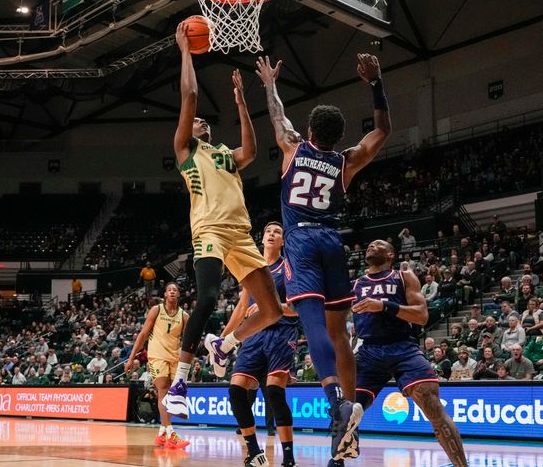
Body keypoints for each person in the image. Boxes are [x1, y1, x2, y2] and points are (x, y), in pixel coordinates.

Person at [256, 52, 391, 463]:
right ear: (337, 135)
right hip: (333, 242)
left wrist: (269, 83)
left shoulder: (293, 147)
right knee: (338, 331)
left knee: (311, 323)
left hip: (301, 242)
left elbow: (278, 117)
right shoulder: (345, 161)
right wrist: (375, 83)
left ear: (310, 129)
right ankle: (347, 419)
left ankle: (337, 404)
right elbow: (383, 130)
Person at [163, 23, 284, 419]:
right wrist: (185, 50)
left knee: (271, 311)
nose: (202, 123)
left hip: (241, 234)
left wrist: (241, 103)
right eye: (198, 122)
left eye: (204, 123)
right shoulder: (185, 150)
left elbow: (251, 148)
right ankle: (180, 382)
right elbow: (191, 94)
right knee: (211, 297)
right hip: (210, 230)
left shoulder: (223, 155)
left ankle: (224, 345)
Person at [351, 240, 466, 467]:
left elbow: (422, 316)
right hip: (368, 350)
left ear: (391, 254)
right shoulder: (355, 283)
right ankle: (336, 461)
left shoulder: (404, 277)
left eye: (378, 244)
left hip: (402, 346)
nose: (371, 245)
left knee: (432, 405)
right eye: (370, 244)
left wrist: (384, 306)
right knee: (345, 413)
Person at [222, 222, 298, 467]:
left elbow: (298, 308)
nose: (272, 234)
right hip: (254, 336)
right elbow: (242, 308)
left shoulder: (289, 267)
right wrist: (222, 340)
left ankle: (288, 459)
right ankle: (255, 451)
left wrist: (272, 309)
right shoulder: (252, 267)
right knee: (236, 391)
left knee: (275, 393)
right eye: (268, 232)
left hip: (281, 332)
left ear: (283, 241)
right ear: (262, 238)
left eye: (277, 232)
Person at [127, 282, 190, 448]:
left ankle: (161, 434)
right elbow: (143, 334)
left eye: (175, 290)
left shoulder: (184, 316)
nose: (172, 292)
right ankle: (171, 433)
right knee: (163, 390)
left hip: (175, 357)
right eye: (169, 290)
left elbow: (189, 341)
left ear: (178, 295)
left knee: (173, 394)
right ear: (165, 295)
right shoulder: (156, 310)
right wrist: (131, 358)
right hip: (157, 355)